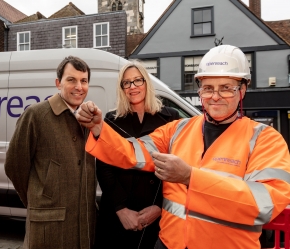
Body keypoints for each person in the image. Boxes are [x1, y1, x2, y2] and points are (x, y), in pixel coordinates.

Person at [76, 45, 290, 249]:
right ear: (199, 91)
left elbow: (266, 204)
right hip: (169, 243)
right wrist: (99, 128)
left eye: (226, 88)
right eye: (208, 88)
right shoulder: (177, 129)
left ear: (242, 90)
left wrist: (191, 177)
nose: (215, 96)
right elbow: (132, 153)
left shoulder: (265, 139)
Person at [4, 56, 96, 249]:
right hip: (48, 227)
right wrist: (39, 198)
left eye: (84, 81)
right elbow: (14, 166)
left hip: (83, 226)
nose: (79, 86)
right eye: (71, 80)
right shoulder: (36, 115)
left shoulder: (90, 119)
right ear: (58, 83)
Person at [95, 61, 179, 249]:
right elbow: (103, 167)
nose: (133, 87)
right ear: (122, 88)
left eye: (137, 80)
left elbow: (177, 169)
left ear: (146, 82)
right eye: (127, 83)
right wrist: (121, 209)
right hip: (118, 212)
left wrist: (159, 206)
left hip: (156, 213)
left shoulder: (171, 118)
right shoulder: (111, 120)